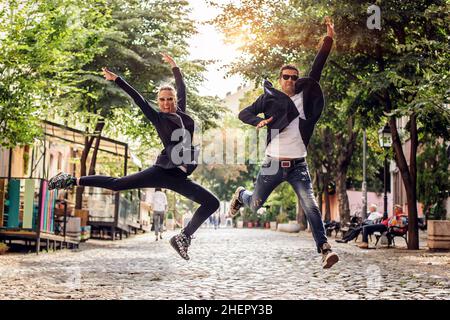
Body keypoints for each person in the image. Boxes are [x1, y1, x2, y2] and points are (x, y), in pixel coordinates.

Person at [48, 53, 220, 260]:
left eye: (170, 99)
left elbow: (182, 88)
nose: (166, 103)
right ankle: (70, 179)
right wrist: (117, 80)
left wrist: (175, 68)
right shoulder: (158, 117)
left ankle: (183, 237)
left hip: (179, 177)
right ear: (158, 102)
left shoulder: (182, 114)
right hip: (162, 171)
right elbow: (138, 98)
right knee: (117, 183)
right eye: (162, 100)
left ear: (175, 100)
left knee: (212, 203)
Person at [228, 18, 339, 269]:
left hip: (298, 164)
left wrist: (329, 38)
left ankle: (324, 249)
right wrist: (258, 121)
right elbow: (242, 113)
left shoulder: (305, 94)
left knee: (310, 206)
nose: (290, 80)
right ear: (280, 80)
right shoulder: (268, 100)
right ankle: (240, 195)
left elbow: (318, 66)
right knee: (255, 204)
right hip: (272, 164)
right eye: (286, 77)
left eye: (293, 77)